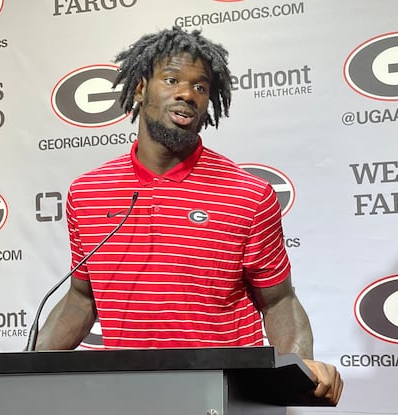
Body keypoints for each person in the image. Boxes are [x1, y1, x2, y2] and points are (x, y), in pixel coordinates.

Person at [36, 26, 343, 405]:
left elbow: (278, 300)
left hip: (224, 395)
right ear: (139, 88)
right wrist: (19, 373)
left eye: (200, 87)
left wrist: (302, 366)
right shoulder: (88, 192)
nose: (187, 93)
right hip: (125, 396)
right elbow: (82, 298)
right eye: (171, 79)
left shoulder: (247, 193)